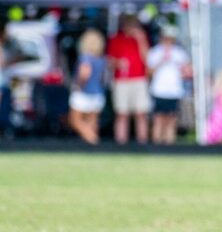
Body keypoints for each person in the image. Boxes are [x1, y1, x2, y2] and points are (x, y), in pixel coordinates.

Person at [107, 15, 151, 144]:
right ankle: (121, 143)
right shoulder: (116, 39)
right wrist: (118, 63)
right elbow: (109, 61)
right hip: (121, 80)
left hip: (139, 79)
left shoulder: (142, 39)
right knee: (122, 113)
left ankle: (142, 142)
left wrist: (141, 40)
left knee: (141, 113)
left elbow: (148, 59)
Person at [146, 25, 191, 145]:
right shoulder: (155, 52)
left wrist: (183, 69)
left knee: (171, 120)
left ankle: (169, 145)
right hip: (159, 90)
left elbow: (187, 71)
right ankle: (156, 146)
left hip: (174, 90)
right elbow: (149, 72)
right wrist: (161, 60)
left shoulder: (179, 53)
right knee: (158, 119)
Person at [67, 29, 108, 145]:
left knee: (75, 120)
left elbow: (84, 73)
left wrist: (78, 85)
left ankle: (92, 139)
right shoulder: (101, 59)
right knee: (92, 121)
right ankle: (90, 144)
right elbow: (103, 77)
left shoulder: (85, 57)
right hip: (98, 92)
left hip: (84, 92)